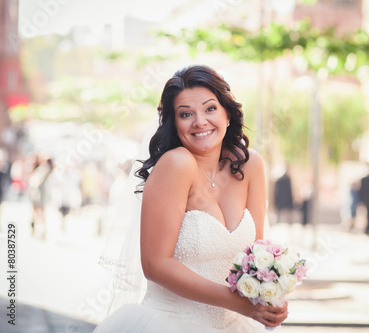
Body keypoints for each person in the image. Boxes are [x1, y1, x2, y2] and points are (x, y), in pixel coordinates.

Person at [94, 65, 288, 332]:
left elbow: (257, 256)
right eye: (186, 114)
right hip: (172, 323)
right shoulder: (176, 164)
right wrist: (239, 303)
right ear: (175, 123)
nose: (200, 122)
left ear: (227, 114)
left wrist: (270, 298)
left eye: (210, 109)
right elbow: (155, 265)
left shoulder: (250, 164)